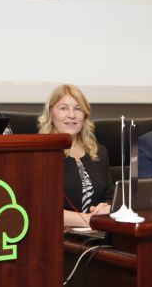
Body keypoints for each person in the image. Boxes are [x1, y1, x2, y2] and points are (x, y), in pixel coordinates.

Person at [37, 84, 114, 227]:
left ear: (85, 114)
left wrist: (106, 209)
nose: (72, 115)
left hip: (99, 233)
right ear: (51, 113)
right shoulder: (40, 155)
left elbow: (110, 197)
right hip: (57, 234)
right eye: (63, 108)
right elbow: (41, 208)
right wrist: (90, 220)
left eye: (78, 109)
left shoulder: (99, 152)